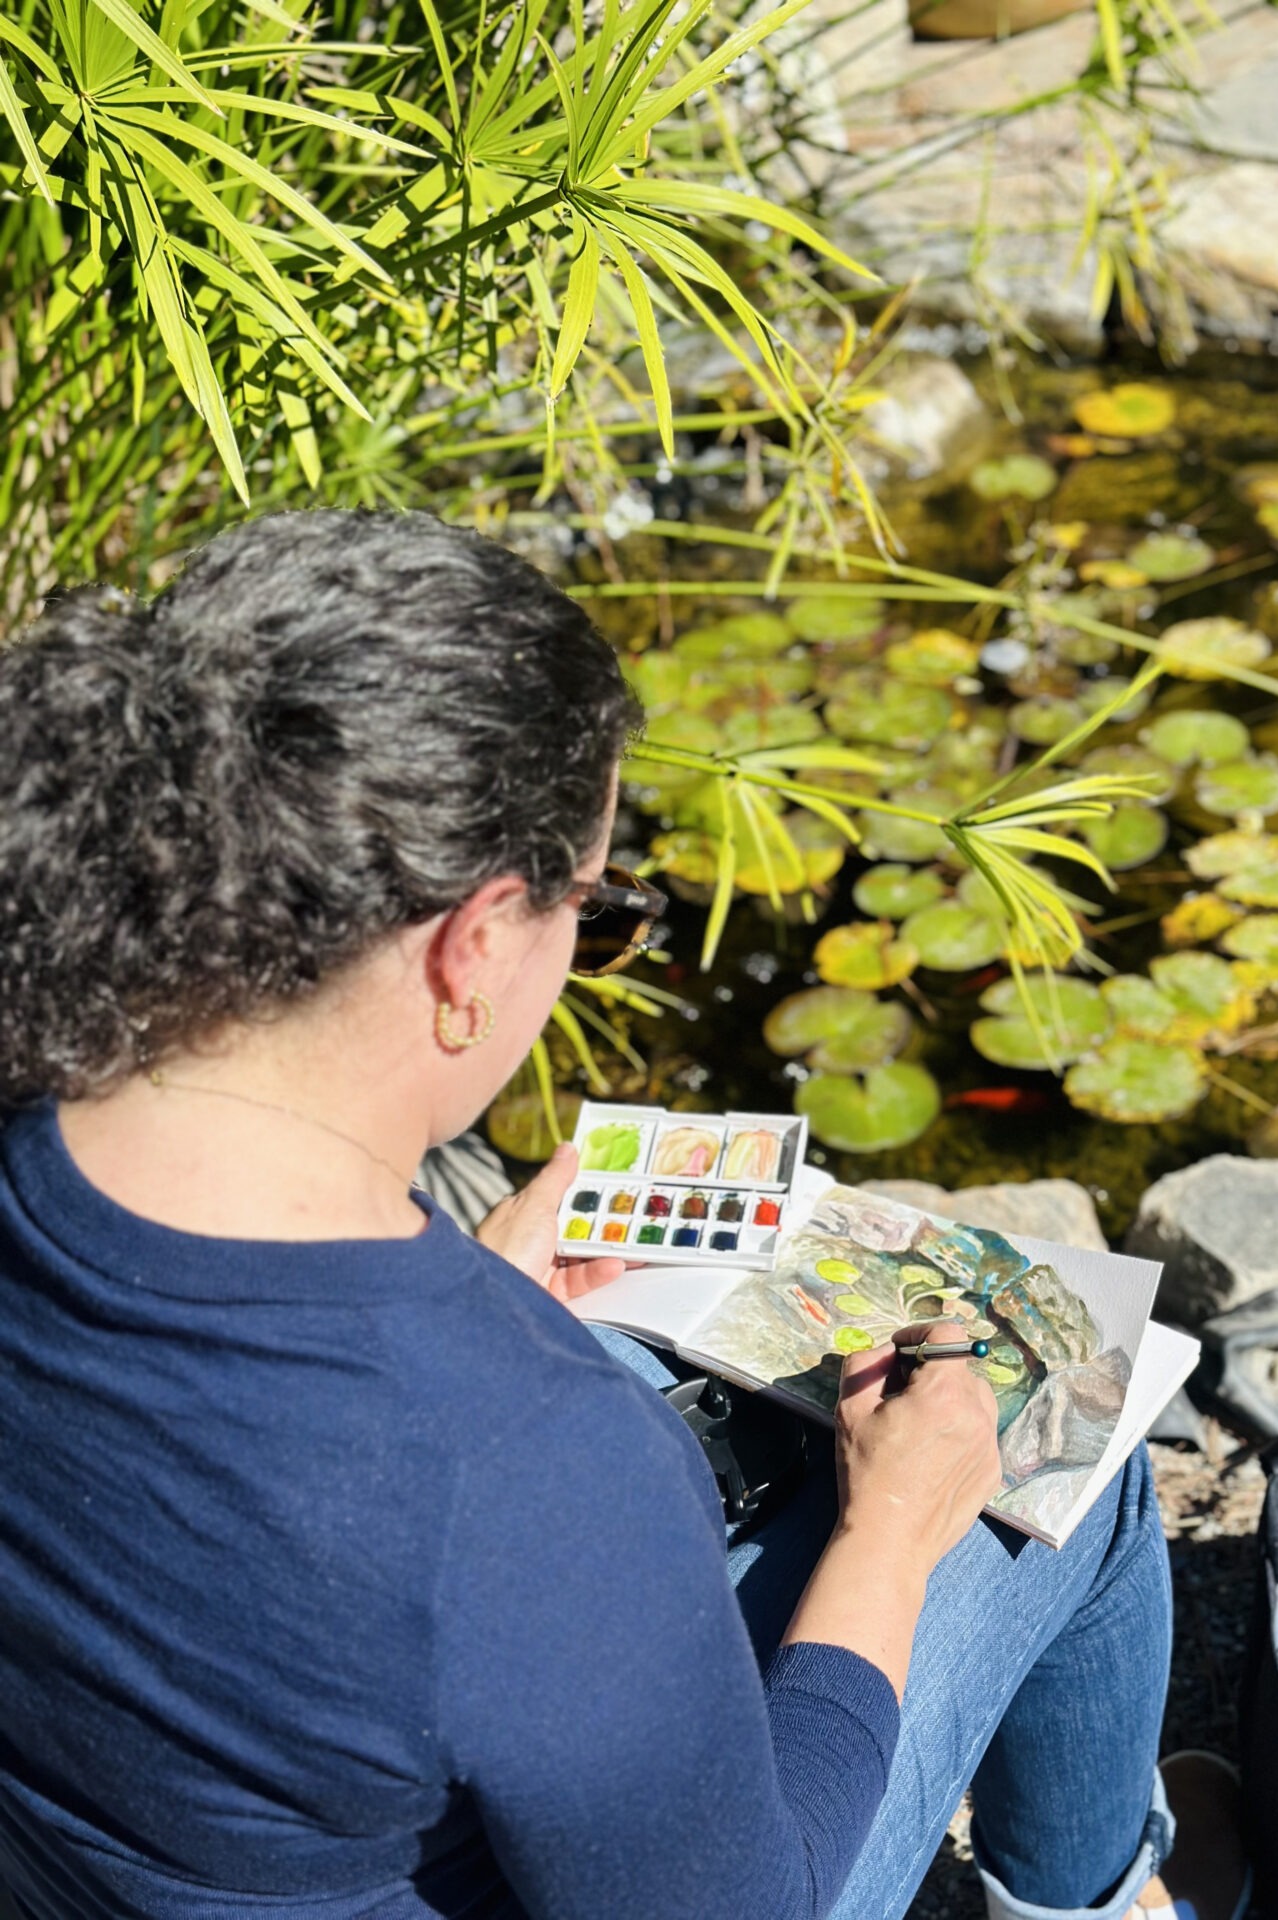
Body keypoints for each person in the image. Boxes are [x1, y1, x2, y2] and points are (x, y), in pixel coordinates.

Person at [0, 509, 1191, 1920]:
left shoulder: (31, 1143)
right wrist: (891, 1539)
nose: (590, 949)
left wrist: (477, 1292)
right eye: (598, 907)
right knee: (1071, 1463)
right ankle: (1105, 1901)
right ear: (474, 944)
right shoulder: (530, 1457)